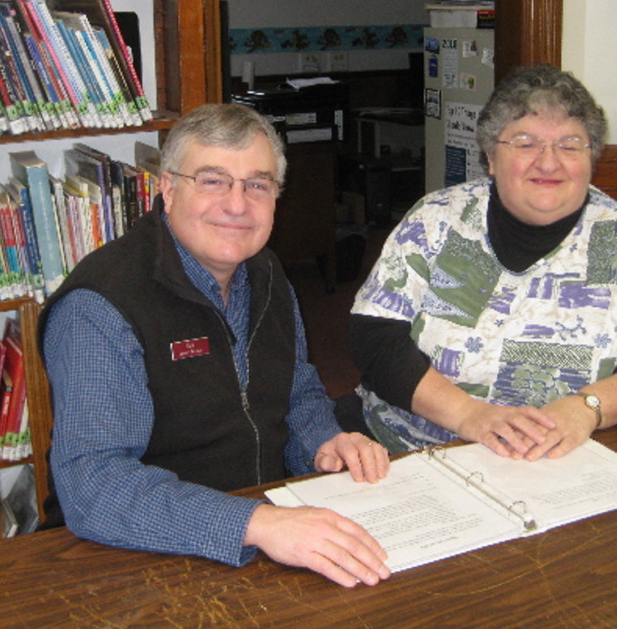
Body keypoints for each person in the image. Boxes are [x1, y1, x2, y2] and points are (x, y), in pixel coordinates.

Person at [39, 103, 391, 588]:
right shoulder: (102, 305)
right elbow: (93, 484)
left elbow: (298, 392)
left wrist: (324, 444)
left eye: (258, 184)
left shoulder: (267, 273)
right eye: (212, 180)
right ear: (167, 188)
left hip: (262, 533)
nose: (237, 204)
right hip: (130, 556)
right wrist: (256, 524)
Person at [348, 64, 617, 461]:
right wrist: (471, 415)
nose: (549, 162)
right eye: (525, 143)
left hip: (562, 463)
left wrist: (586, 408)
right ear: (490, 157)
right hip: (413, 454)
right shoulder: (436, 221)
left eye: (570, 145)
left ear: (592, 158)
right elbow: (376, 338)